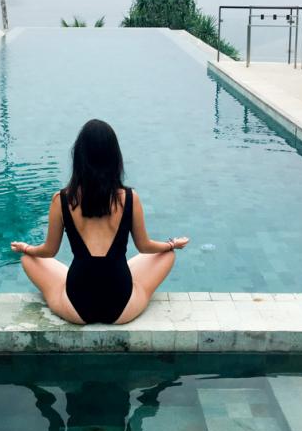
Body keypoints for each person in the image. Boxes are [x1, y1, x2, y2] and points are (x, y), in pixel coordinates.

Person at [10, 119, 188, 325]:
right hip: (121, 304)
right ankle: (122, 277)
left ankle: (79, 283)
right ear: (115, 158)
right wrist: (171, 244)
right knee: (167, 256)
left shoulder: (62, 199)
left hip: (77, 305)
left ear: (78, 157)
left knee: (28, 259)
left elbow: (49, 251)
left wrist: (27, 248)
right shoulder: (130, 198)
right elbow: (145, 246)